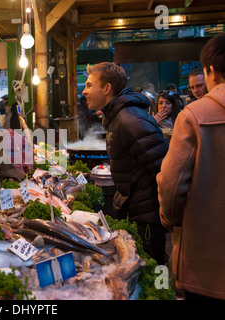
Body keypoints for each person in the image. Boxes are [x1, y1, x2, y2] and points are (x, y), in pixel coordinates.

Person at [157, 33, 225, 300]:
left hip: (206, 264)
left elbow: (171, 185)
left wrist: (171, 221)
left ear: (210, 70)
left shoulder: (194, 116)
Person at [83, 62, 169, 265]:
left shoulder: (129, 120)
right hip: (136, 211)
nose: (84, 91)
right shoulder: (117, 117)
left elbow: (165, 168)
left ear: (106, 88)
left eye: (88, 85)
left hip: (146, 217)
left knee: (152, 270)